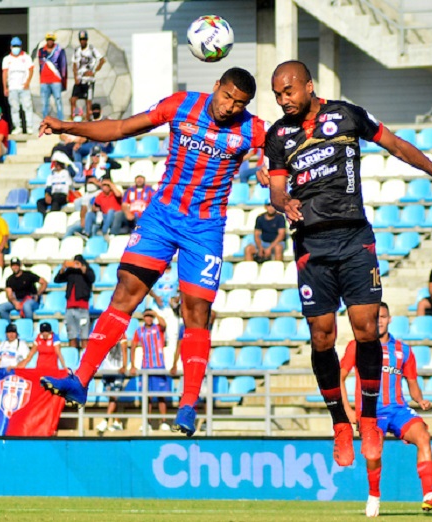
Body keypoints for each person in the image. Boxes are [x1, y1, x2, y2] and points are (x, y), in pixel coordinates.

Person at [264, 60, 432, 466]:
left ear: (309, 86)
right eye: (277, 94)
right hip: (310, 244)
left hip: (354, 238)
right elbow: (276, 189)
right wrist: (283, 202)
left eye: (289, 90)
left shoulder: (346, 115)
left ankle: (367, 419)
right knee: (322, 338)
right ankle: (339, 425)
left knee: (365, 331)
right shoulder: (277, 136)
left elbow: (395, 144)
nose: (283, 99)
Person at [39, 67, 268, 439]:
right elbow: (119, 129)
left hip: (204, 229)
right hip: (161, 217)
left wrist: (271, 170)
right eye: (227, 97)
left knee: (196, 313)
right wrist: (67, 126)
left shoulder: (253, 128)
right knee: (125, 292)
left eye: (239, 103)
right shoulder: (181, 105)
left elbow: (279, 149)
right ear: (215, 87)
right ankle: (80, 380)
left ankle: (189, 404)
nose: (230, 107)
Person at [340, 302, 432, 517]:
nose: (379, 321)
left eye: (383, 316)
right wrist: (348, 411)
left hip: (398, 409)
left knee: (424, 436)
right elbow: (339, 378)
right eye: (375, 317)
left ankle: (428, 494)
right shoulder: (357, 346)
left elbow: (412, 382)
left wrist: (420, 400)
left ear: (390, 320)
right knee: (373, 453)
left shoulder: (403, 350)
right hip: (371, 412)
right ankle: (373, 496)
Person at [130, 309, 171, 431]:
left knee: (161, 396)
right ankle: (147, 422)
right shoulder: (139, 331)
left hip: (159, 365)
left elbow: (164, 324)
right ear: (143, 317)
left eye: (150, 316)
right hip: (146, 366)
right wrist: (132, 365)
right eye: (146, 316)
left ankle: (163, 421)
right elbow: (133, 347)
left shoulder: (158, 328)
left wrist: (157, 314)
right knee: (147, 396)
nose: (148, 318)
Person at [54, 254, 95, 350]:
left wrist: (82, 268)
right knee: (71, 336)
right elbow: (57, 280)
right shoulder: (70, 271)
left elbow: (92, 278)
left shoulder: (87, 270)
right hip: (70, 307)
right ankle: (73, 356)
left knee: (84, 336)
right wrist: (63, 268)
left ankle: (83, 357)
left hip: (82, 307)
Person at [2, 36, 35, 135]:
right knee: (14, 108)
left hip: (24, 87)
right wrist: (5, 87)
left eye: (18, 46)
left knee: (27, 107)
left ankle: (29, 127)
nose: (16, 48)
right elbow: (4, 73)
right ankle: (17, 127)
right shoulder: (7, 59)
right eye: (14, 46)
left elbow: (31, 70)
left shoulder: (26, 57)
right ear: (11, 47)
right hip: (12, 87)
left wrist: (27, 82)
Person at [96, 336, 129, 433]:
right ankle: (117, 422)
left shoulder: (122, 335)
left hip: (118, 371)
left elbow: (125, 350)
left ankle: (105, 420)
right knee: (113, 398)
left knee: (114, 396)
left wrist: (124, 366)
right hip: (107, 371)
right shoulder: (106, 334)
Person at [71, 30, 105, 121]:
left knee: (88, 100)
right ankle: (75, 117)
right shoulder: (77, 50)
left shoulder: (91, 49)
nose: (83, 41)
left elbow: (102, 60)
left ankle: (88, 119)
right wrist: (75, 76)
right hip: (80, 78)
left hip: (89, 79)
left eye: (84, 39)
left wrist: (94, 71)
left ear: (87, 40)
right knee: (73, 99)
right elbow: (74, 64)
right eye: (81, 39)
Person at [38, 32, 67, 121]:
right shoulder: (41, 51)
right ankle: (45, 121)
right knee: (44, 103)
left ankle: (60, 121)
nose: (50, 42)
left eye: (51, 40)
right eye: (48, 40)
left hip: (56, 80)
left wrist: (63, 81)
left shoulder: (59, 50)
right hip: (44, 81)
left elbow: (63, 65)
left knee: (58, 101)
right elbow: (40, 65)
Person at [37, 151, 73, 215]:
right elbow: (48, 187)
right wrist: (47, 195)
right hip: (54, 195)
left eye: (59, 163)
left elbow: (69, 185)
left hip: (63, 195)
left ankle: (52, 216)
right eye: (56, 163)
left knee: (56, 200)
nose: (57, 165)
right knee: (40, 202)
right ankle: (45, 216)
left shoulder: (67, 173)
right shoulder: (51, 175)